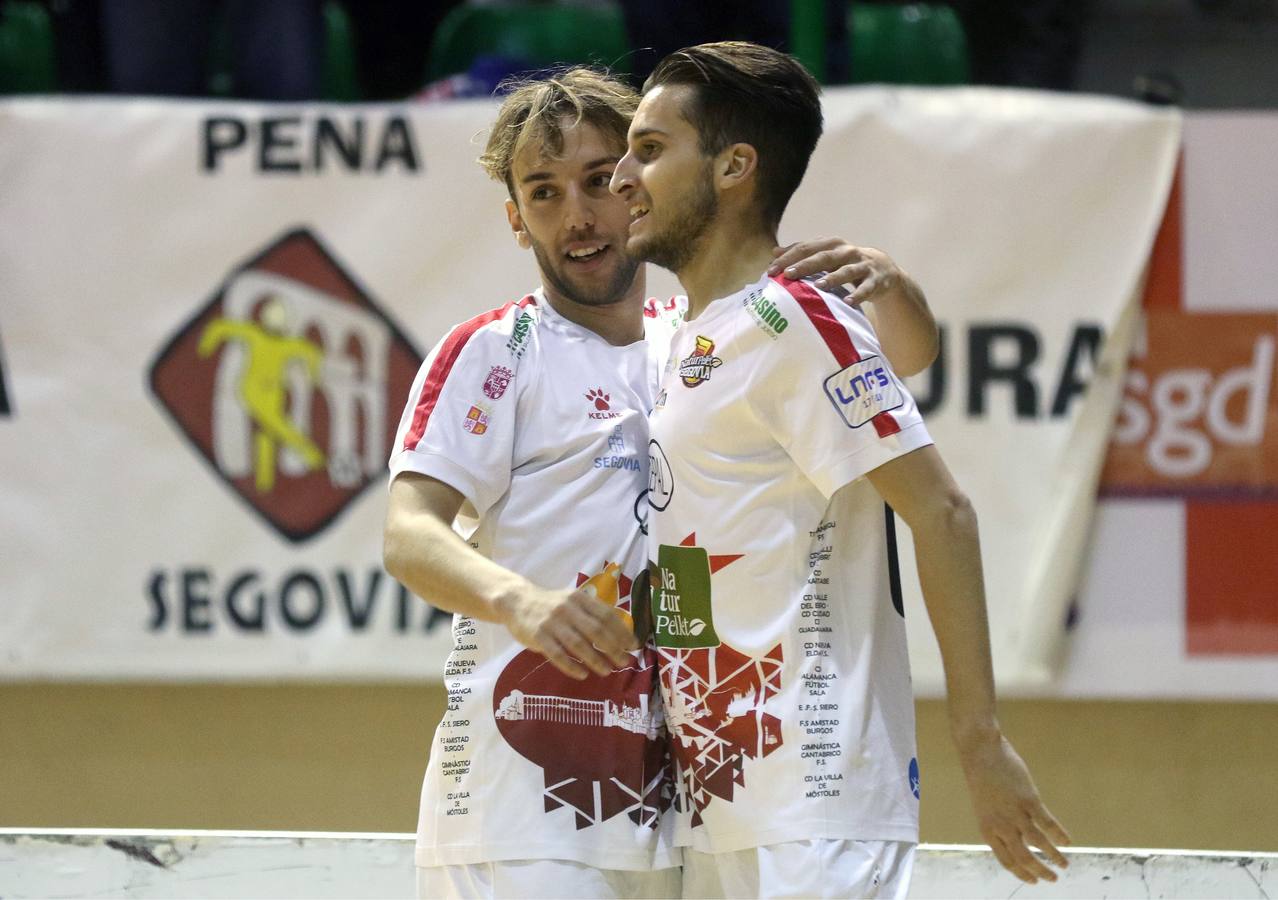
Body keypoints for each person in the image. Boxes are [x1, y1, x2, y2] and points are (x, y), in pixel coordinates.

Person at [383, 67, 938, 900]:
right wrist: (518, 602)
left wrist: (892, 284)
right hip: (522, 813)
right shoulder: (494, 353)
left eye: (601, 180)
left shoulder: (706, 335)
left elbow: (908, 358)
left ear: (639, 186)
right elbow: (408, 535)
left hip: (672, 816)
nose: (578, 215)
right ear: (515, 219)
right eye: (543, 192)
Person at [610, 42, 1070, 898]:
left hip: (815, 812)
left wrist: (980, 742)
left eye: (649, 149)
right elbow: (908, 352)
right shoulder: (677, 333)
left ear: (736, 166)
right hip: (716, 808)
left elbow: (944, 513)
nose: (621, 178)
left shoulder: (792, 318)